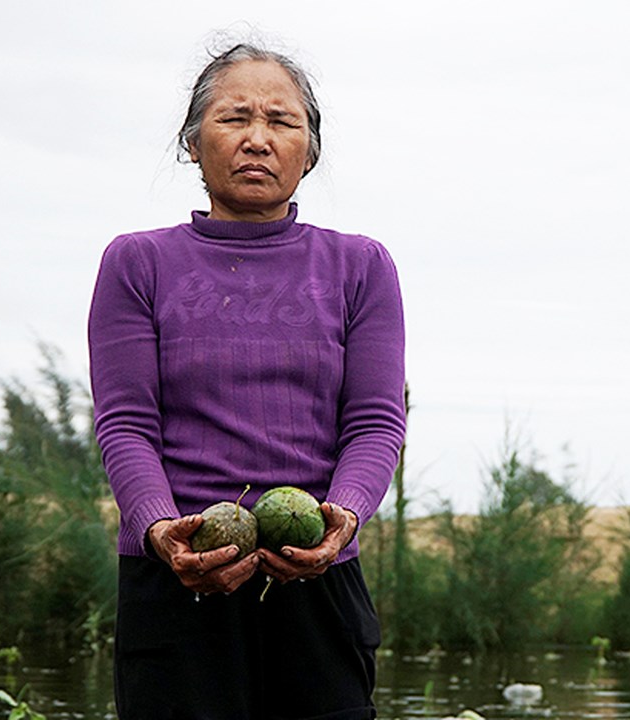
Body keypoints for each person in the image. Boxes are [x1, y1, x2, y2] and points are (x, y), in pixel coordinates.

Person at [88, 42, 406, 720]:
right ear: (193, 143)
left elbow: (376, 422)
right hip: (176, 576)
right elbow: (126, 424)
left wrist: (342, 519)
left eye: (281, 121)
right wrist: (159, 530)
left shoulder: (361, 267)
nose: (258, 139)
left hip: (318, 573)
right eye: (234, 119)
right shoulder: (137, 263)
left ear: (310, 150)